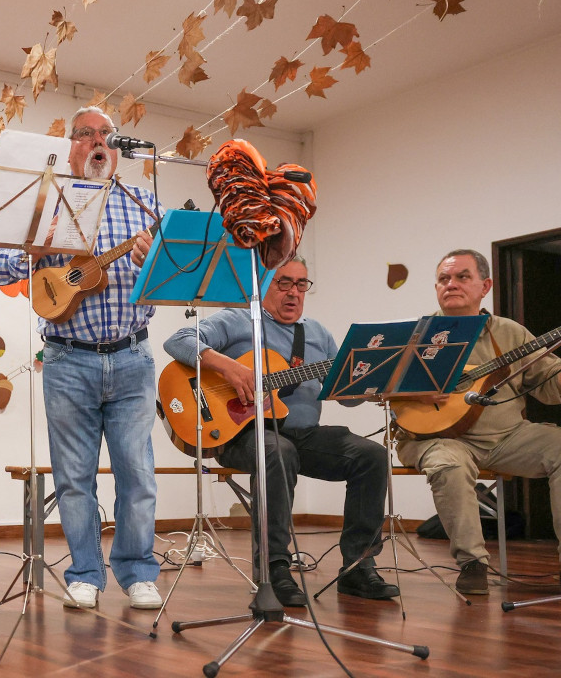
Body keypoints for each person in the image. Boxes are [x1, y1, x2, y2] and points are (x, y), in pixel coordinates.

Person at [0, 107, 163, 610]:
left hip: (133, 357)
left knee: (137, 472)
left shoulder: (144, 202)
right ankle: (85, 571)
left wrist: (153, 261)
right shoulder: (45, 203)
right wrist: (35, 249)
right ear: (70, 148)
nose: (96, 142)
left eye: (105, 135)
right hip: (67, 360)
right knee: (73, 478)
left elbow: (172, 283)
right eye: (84, 134)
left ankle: (137, 572)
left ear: (116, 148)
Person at [163, 256, 399, 606]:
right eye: (283, 283)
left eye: (301, 284)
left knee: (371, 455)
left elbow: (345, 397)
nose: (294, 293)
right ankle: (274, 569)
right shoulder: (237, 319)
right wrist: (228, 368)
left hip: (304, 434)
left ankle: (358, 568)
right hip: (244, 435)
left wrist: (371, 384)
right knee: (277, 450)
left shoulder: (318, 333)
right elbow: (179, 340)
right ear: (262, 285)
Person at [396, 249, 561, 595]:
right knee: (450, 465)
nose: (451, 284)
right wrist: (419, 393)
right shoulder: (416, 334)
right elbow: (377, 390)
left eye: (461, 277)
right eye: (444, 279)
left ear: (485, 286)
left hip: (507, 437)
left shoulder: (510, 333)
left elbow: (549, 388)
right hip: (435, 437)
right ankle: (473, 563)